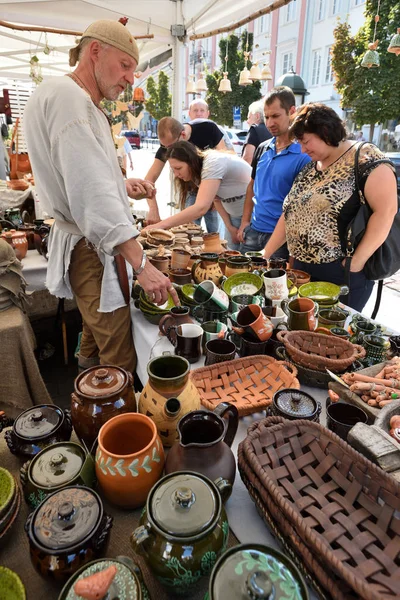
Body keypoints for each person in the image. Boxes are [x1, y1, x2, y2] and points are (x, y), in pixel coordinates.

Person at [24, 19, 179, 374]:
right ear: (95, 51)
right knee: (119, 354)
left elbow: (76, 175)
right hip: (90, 248)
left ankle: (86, 388)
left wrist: (120, 185)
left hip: (85, 242)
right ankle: (105, 423)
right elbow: (90, 191)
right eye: (125, 66)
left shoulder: (67, 96)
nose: (130, 78)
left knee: (94, 332)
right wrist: (142, 265)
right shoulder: (70, 99)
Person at [263, 103, 398, 312]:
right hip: (301, 270)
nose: (302, 149)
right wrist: (266, 252)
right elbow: (289, 214)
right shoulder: (311, 166)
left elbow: (386, 211)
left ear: (325, 132)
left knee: (332, 336)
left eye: (306, 141)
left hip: (340, 271)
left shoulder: (364, 158)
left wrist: (356, 262)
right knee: (299, 330)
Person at [238, 87, 311, 257]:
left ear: (292, 111)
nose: (270, 123)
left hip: (281, 241)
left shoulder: (305, 154)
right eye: (267, 117)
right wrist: (244, 222)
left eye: (276, 116)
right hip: (253, 232)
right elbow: (252, 185)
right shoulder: (263, 148)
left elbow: (299, 207)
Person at [143, 140, 251, 250]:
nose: (176, 174)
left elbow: (201, 208)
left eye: (179, 168)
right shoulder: (197, 172)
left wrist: (160, 226)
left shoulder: (212, 164)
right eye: (173, 170)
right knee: (232, 254)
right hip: (234, 216)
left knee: (248, 259)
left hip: (253, 215)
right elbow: (217, 199)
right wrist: (229, 226)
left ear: (191, 161)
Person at [144, 115, 227, 230]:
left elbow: (224, 158)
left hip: (214, 189)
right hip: (190, 190)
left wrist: (214, 195)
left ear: (183, 135)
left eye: (171, 146)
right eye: (165, 147)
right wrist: (153, 210)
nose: (169, 151)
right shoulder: (167, 146)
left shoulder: (208, 129)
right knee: (189, 230)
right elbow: (148, 180)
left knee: (213, 231)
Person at [241, 100, 271, 165]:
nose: (247, 121)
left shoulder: (254, 130)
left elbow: (247, 159)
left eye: (249, 117)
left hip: (254, 173)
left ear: (257, 116)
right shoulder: (271, 130)